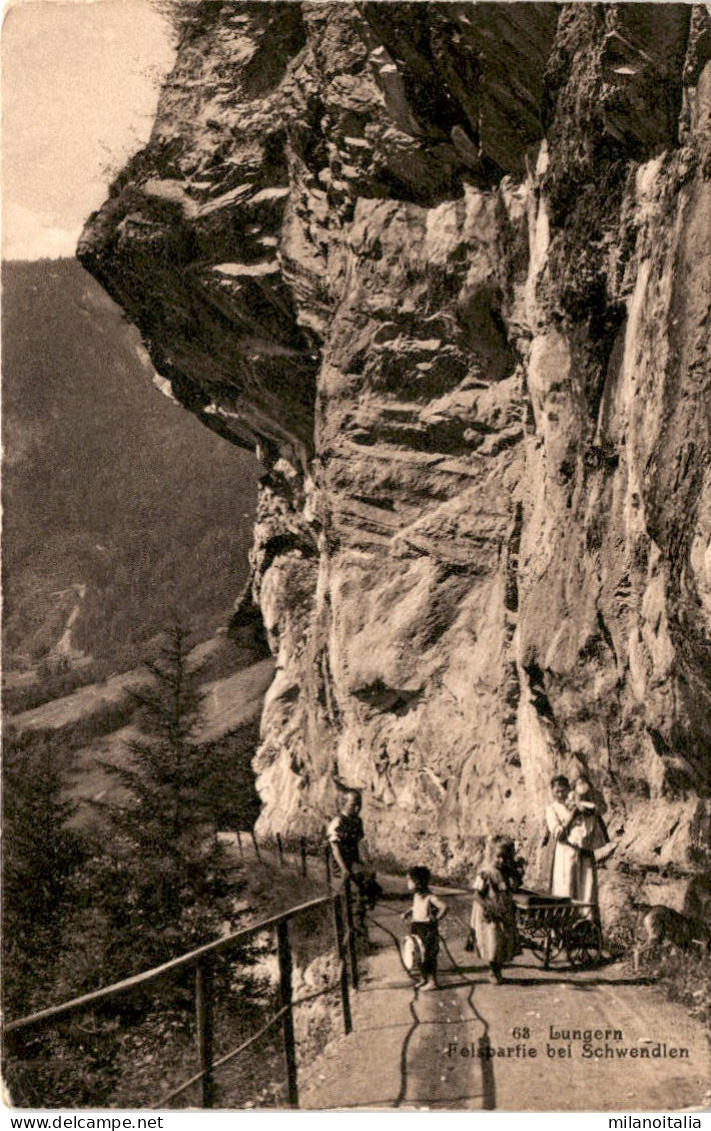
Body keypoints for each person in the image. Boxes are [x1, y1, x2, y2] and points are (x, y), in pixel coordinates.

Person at [470, 835, 520, 984]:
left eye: (505, 858)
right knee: (493, 942)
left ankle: (498, 969)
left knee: (502, 942)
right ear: (492, 855)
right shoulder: (486, 874)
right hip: (490, 914)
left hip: (503, 913)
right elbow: (477, 895)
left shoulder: (507, 873)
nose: (502, 861)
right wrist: (487, 906)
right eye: (498, 857)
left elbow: (512, 888)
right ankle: (493, 971)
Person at [565, 778, 609, 922]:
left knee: (588, 883)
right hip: (575, 843)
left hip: (586, 843)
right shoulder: (572, 801)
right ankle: (573, 915)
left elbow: (597, 813)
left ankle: (588, 917)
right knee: (573, 881)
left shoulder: (591, 803)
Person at [401, 865, 447, 992]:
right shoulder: (416, 895)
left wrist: (436, 918)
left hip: (427, 928)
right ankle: (424, 979)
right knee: (418, 953)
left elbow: (444, 907)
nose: (408, 883)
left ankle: (433, 981)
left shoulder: (429, 896)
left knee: (429, 955)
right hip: (416, 926)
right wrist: (407, 912)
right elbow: (415, 907)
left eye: (409, 880)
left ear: (417, 882)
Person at [545, 774, 579, 898]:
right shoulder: (552, 809)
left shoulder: (576, 804)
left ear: (568, 789)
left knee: (583, 887)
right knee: (566, 885)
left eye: (563, 791)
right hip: (565, 852)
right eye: (557, 792)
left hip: (581, 851)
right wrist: (572, 817)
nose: (560, 795)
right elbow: (558, 834)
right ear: (553, 792)